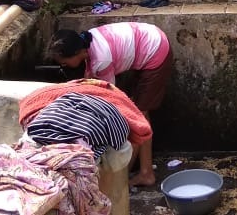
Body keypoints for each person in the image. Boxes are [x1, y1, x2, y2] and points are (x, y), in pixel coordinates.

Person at [47, 22, 173, 187]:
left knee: (138, 117)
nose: (62, 66)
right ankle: (137, 171)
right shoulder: (86, 43)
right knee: (137, 113)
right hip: (146, 40)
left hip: (155, 49)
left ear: (79, 53)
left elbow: (110, 100)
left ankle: (142, 174)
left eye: (64, 61)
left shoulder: (101, 59)